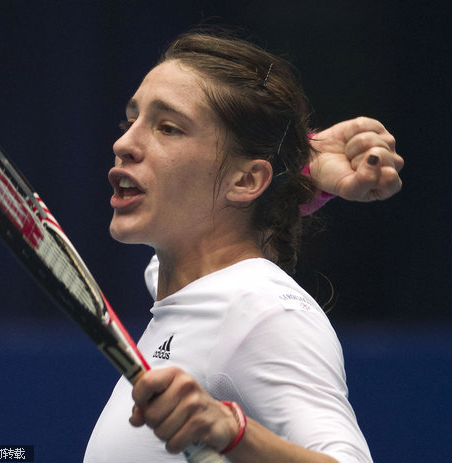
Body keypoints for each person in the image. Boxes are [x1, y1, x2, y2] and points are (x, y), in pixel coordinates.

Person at [84, 30, 403, 463]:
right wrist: (301, 168)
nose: (124, 144)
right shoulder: (181, 279)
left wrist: (234, 433)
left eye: (168, 127)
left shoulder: (265, 312)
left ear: (247, 180)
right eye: (131, 120)